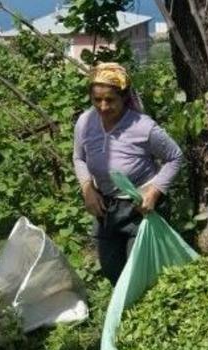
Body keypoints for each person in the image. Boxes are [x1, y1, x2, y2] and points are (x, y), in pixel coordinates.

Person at [73, 63, 184, 284]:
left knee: (141, 274)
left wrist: (154, 192)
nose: (103, 106)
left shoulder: (143, 127)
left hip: (140, 208)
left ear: (124, 97)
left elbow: (175, 157)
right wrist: (87, 188)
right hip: (107, 208)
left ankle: (148, 312)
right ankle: (124, 315)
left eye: (110, 100)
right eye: (97, 100)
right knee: (112, 270)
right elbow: (78, 157)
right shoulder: (86, 122)